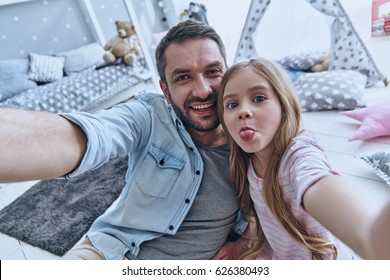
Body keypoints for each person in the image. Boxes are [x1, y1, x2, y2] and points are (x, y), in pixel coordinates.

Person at [0, 19, 250, 260]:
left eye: (213, 72)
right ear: (165, 90)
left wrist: (245, 242)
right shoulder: (148, 116)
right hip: (109, 254)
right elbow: (95, 134)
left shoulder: (251, 138)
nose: (203, 90)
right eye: (183, 77)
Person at [216, 57, 390, 260]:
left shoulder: (297, 156)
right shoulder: (245, 161)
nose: (243, 111)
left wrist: (369, 236)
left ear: (284, 105)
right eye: (232, 104)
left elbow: (317, 180)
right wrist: (245, 241)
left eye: (259, 98)